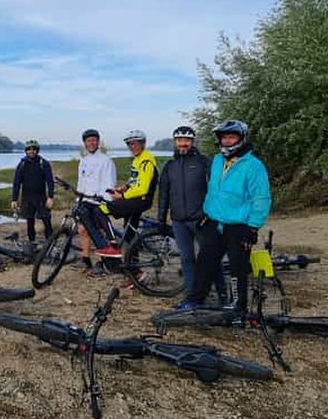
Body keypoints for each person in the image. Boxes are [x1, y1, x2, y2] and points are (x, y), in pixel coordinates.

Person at [185, 120, 272, 322]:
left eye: (231, 137)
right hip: (215, 222)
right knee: (205, 262)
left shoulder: (253, 166)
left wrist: (253, 226)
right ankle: (195, 299)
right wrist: (207, 212)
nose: (227, 140)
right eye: (224, 137)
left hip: (239, 225)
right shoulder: (217, 161)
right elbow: (213, 190)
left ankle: (238, 306)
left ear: (241, 139)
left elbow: (261, 198)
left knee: (237, 267)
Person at [157, 126, 221, 303]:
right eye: (179, 140)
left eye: (186, 140)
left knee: (210, 257)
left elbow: (215, 190)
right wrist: (161, 219)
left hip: (201, 219)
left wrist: (211, 214)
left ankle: (223, 294)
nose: (183, 143)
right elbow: (163, 194)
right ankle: (193, 297)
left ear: (192, 142)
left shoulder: (203, 162)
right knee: (187, 259)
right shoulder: (169, 166)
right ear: (175, 142)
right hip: (179, 221)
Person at [91, 130, 158, 277]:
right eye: (130, 144)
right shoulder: (137, 159)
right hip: (135, 199)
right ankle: (136, 272)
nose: (132, 146)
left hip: (140, 201)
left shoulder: (146, 161)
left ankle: (113, 246)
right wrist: (122, 188)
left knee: (99, 210)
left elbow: (143, 188)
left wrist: (122, 195)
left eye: (135, 143)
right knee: (130, 236)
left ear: (143, 144)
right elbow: (134, 180)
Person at [73, 129, 117, 271]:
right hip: (85, 200)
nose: (91, 143)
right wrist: (77, 200)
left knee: (98, 232)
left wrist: (106, 201)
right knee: (82, 230)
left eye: (94, 140)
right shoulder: (83, 161)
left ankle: (101, 261)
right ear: (85, 143)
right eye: (88, 141)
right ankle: (85, 259)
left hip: (99, 201)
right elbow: (81, 183)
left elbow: (110, 183)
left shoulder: (106, 161)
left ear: (98, 142)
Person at [11, 139, 55, 247]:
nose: (32, 151)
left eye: (34, 149)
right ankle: (32, 242)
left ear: (37, 151)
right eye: (29, 149)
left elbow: (50, 181)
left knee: (46, 221)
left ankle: (50, 243)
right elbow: (16, 183)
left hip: (41, 197)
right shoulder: (22, 164)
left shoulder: (43, 163)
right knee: (30, 221)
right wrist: (14, 199)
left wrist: (50, 197)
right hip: (27, 197)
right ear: (26, 151)